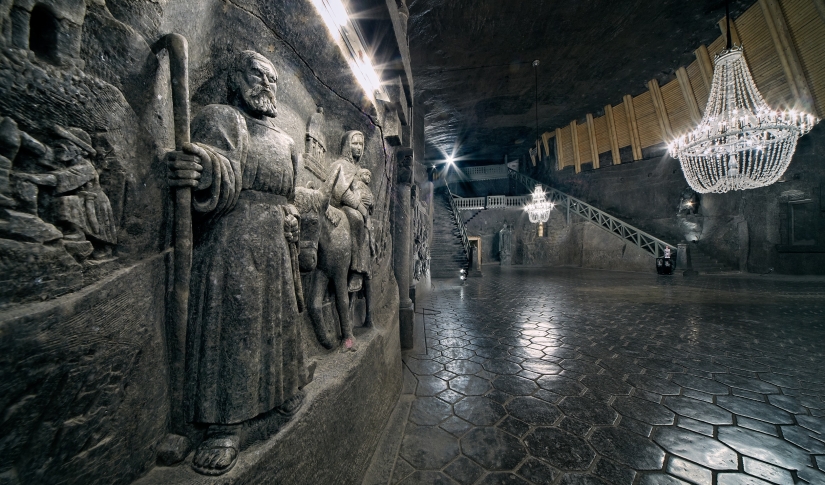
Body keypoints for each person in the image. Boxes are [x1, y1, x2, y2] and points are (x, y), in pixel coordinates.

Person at [166, 50, 305, 476]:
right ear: (236, 79)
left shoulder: (285, 142)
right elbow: (217, 162)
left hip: (276, 243)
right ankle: (224, 425)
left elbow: (290, 195)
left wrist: (292, 215)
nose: (265, 84)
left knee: (279, 320)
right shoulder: (224, 118)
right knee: (237, 326)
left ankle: (284, 390)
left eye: (272, 78)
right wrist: (200, 167)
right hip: (232, 242)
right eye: (256, 74)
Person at [329, 131, 371, 292]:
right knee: (357, 218)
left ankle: (359, 269)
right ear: (347, 145)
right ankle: (355, 270)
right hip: (341, 205)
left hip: (356, 207)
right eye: (355, 143)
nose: (359, 147)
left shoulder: (357, 169)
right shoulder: (341, 164)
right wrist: (360, 207)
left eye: (361, 144)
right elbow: (341, 191)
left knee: (364, 224)